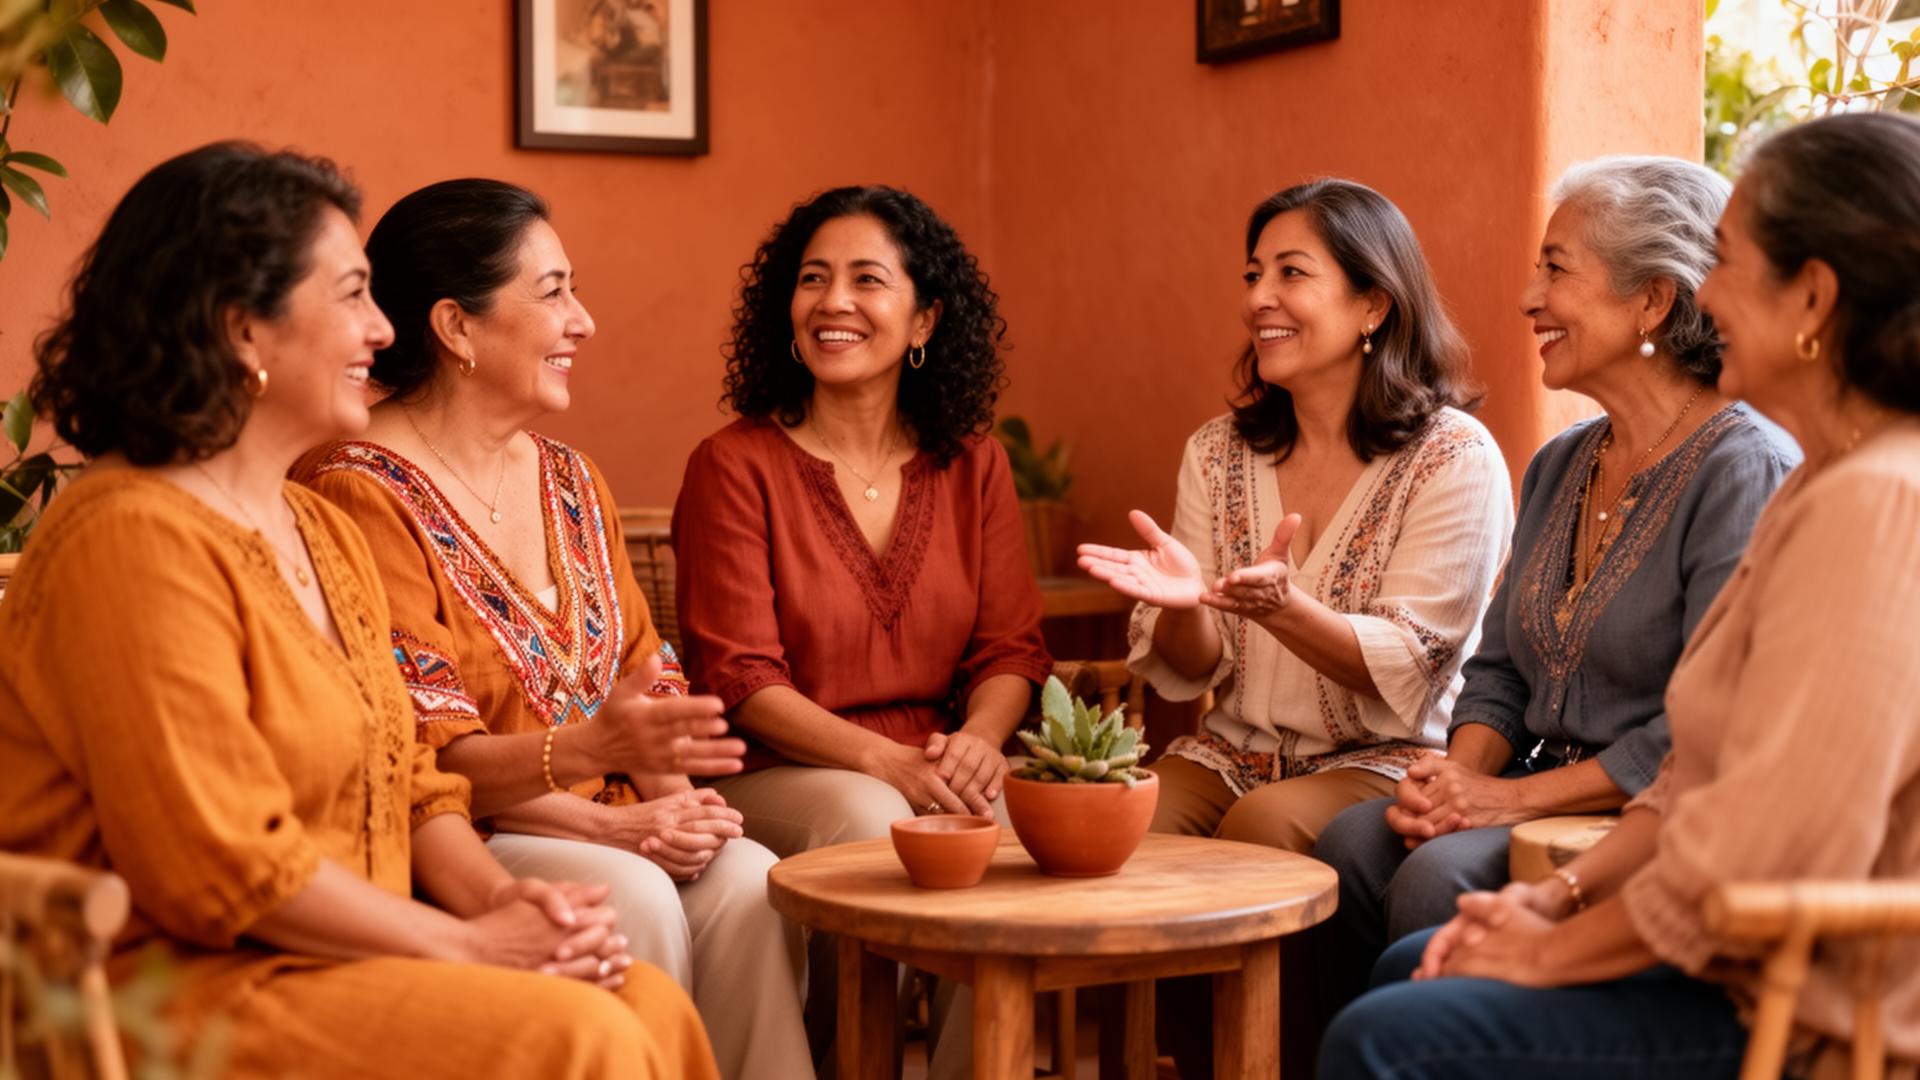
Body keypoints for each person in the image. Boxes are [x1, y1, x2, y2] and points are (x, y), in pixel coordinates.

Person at [0, 143, 715, 1078]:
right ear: (242, 331)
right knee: (583, 1033)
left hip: (335, 960)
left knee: (641, 1000)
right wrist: (464, 947)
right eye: (350, 296)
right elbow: (220, 870)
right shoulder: (130, 539)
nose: (383, 331)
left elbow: (415, 781)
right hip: (171, 989)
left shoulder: (312, 525)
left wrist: (505, 906)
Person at [1321, 112, 1920, 1079]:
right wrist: (1549, 901)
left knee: (1385, 1034)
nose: (1706, 294)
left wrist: (1547, 946)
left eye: (1726, 261)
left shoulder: (1876, 504)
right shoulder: (1827, 481)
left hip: (1805, 1012)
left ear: (1813, 295)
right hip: (1723, 959)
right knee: (1403, 963)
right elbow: (1696, 781)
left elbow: (1758, 852)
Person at [295, 179, 808, 1080]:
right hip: (471, 842)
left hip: (611, 817)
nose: (584, 322)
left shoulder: (573, 479)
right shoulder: (356, 487)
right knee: (638, 895)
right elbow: (426, 755)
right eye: (554, 292)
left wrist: (672, 804)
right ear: (456, 327)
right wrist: (613, 827)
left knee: (746, 877)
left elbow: (646, 683)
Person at [1077, 177, 1513, 1077]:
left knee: (1267, 826)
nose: (1258, 300)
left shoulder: (1455, 459)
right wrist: (1184, 604)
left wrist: (1288, 609)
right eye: (1253, 273)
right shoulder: (1219, 450)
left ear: (1372, 305)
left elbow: (1410, 663)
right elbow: (1193, 672)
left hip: (1378, 759)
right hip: (1227, 750)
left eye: (1291, 273)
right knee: (1117, 827)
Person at [672, 184, 1052, 1078]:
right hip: (774, 770)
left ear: (924, 320)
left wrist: (979, 746)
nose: (832, 302)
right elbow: (739, 677)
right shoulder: (732, 465)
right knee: (872, 816)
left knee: (999, 823)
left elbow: (1011, 648)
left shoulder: (975, 462)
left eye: (866, 280)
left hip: (929, 760)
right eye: (812, 280)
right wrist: (889, 764)